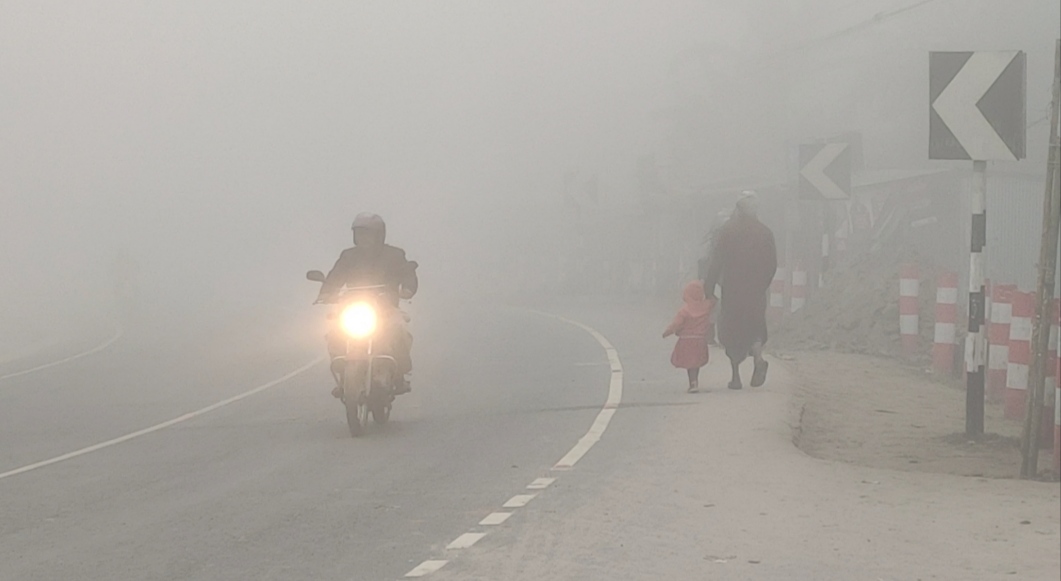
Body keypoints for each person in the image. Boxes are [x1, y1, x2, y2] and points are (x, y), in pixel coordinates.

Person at [318, 213, 419, 395]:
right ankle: (343, 374)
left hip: (385, 307)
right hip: (352, 306)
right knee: (334, 333)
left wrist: (408, 289)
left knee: (397, 328)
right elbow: (336, 276)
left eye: (368, 233)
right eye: (360, 234)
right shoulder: (348, 256)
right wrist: (326, 292)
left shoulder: (394, 254)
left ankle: (399, 376)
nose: (363, 238)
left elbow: (407, 273)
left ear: (379, 235)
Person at [702, 191, 777, 390]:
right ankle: (758, 358)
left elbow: (716, 261)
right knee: (755, 327)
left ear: (738, 209)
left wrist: (709, 287)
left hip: (733, 290)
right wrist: (763, 285)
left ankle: (735, 377)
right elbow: (772, 264)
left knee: (732, 330)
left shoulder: (728, 231)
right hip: (756, 291)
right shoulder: (765, 232)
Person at [663, 280, 715, 393]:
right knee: (695, 363)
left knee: (690, 363)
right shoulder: (706, 306)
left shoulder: (684, 311)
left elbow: (676, 324)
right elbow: (714, 301)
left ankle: (692, 383)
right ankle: (694, 381)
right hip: (700, 340)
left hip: (686, 341)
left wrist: (667, 332)